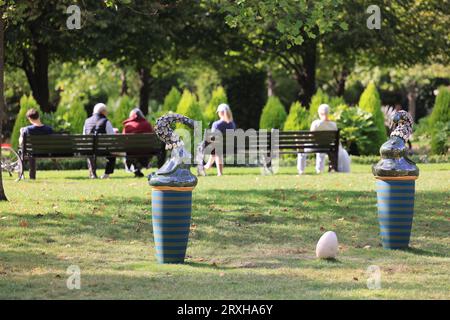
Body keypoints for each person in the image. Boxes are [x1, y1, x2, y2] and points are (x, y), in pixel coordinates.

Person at [297, 104, 350, 174]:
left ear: (320, 113)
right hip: (328, 147)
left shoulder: (316, 123)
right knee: (321, 150)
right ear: (328, 113)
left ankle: (301, 170)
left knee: (302, 150)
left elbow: (310, 136)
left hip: (315, 146)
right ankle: (319, 170)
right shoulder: (333, 125)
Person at [18, 109, 54, 179]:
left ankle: (24, 174)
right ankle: (31, 176)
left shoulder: (26, 129)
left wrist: (21, 133)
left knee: (25, 151)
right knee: (31, 151)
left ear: (30, 119)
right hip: (46, 152)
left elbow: (21, 143)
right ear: (39, 117)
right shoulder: (49, 129)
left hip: (32, 153)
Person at [83, 103, 116, 179]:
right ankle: (106, 174)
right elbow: (112, 137)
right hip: (103, 150)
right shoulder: (106, 121)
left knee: (90, 153)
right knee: (112, 152)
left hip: (90, 149)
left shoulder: (87, 121)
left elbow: (84, 137)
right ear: (103, 112)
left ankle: (92, 174)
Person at [204, 103, 236, 176]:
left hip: (218, 147)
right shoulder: (232, 124)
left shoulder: (216, 124)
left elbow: (212, 137)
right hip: (231, 147)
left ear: (220, 113)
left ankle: (210, 166)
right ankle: (210, 166)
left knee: (216, 148)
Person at [122, 108, 154, 177]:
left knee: (131, 150)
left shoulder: (127, 126)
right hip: (146, 152)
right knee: (142, 150)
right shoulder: (147, 124)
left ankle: (136, 166)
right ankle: (139, 166)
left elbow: (123, 140)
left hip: (131, 152)